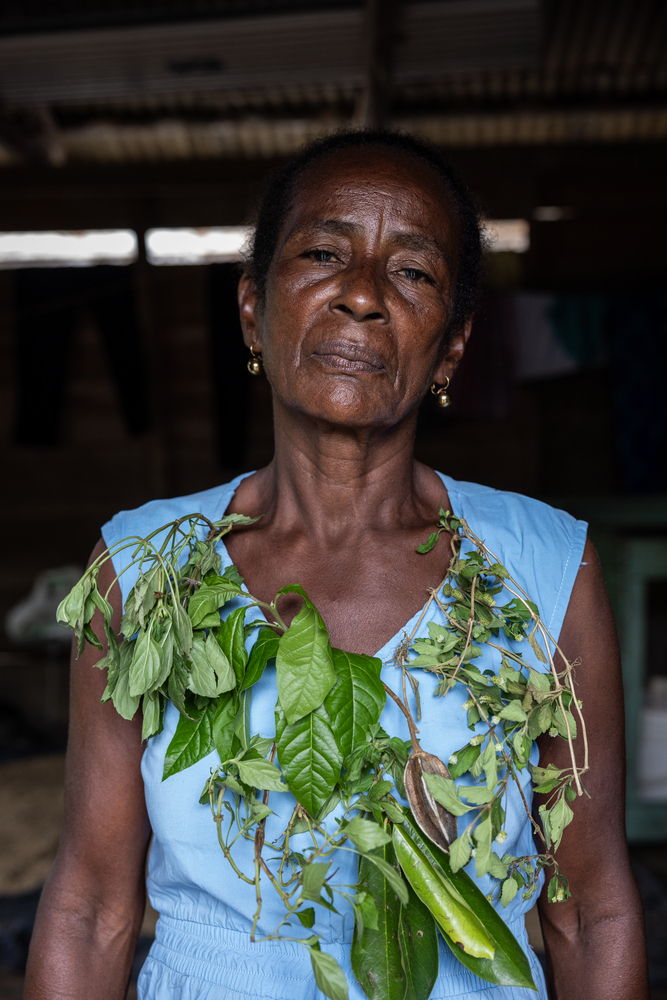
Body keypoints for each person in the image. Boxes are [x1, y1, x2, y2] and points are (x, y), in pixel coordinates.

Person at [24, 130, 647, 1000]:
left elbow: (590, 911)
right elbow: (90, 905)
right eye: (323, 252)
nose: (360, 294)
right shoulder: (144, 569)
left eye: (413, 272)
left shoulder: (543, 569)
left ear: (454, 347)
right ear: (252, 307)